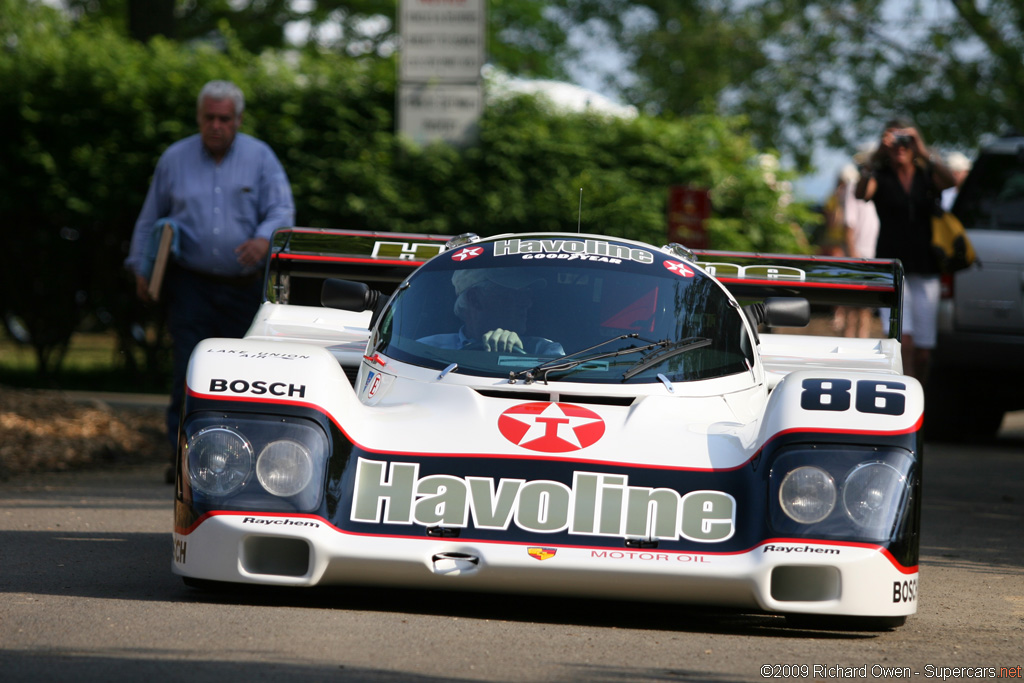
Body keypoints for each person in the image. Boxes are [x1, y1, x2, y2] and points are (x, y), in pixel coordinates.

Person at [125, 80, 295, 479]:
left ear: (237, 120)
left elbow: (282, 210)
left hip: (245, 287)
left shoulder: (261, 158)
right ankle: (182, 459)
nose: (216, 125)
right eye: (209, 118)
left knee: (246, 377)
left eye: (224, 118)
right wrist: (139, 266)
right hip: (192, 285)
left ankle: (242, 461)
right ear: (199, 118)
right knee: (188, 369)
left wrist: (262, 239)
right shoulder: (175, 159)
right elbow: (150, 216)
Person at [855, 118, 955, 384]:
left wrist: (922, 149)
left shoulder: (925, 173)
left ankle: (919, 393)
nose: (900, 147)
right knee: (903, 340)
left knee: (923, 349)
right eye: (894, 141)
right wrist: (877, 154)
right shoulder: (881, 175)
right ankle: (906, 396)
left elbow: (950, 182)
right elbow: (861, 193)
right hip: (893, 267)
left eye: (905, 141)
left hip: (925, 266)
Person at [419, 269, 564, 355]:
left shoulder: (544, 351)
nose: (527, 303)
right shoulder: (426, 351)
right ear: (474, 299)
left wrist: (518, 356)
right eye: (512, 294)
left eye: (527, 293)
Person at [842, 155, 880, 338]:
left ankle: (862, 340)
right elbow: (848, 225)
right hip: (859, 253)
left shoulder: (882, 186)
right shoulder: (853, 188)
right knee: (852, 305)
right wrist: (853, 256)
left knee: (866, 306)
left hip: (875, 254)